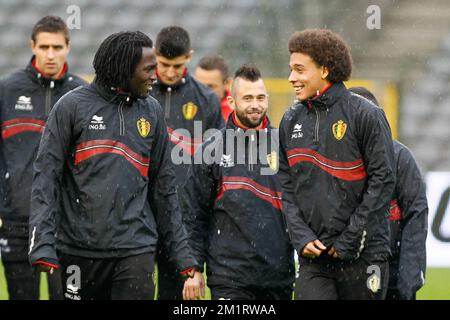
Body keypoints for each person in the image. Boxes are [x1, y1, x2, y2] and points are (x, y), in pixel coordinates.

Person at [27, 31, 203, 300]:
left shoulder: (152, 110)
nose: (154, 75)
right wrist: (41, 243)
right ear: (124, 69)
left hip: (136, 249)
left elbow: (164, 188)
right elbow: (46, 179)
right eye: (148, 69)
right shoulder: (71, 107)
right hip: (78, 250)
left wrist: (182, 253)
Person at [278, 29, 396, 300]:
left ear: (325, 69)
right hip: (314, 258)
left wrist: (350, 238)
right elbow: (285, 185)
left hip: (364, 255)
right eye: (290, 70)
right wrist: (301, 237)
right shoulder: (290, 119)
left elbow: (383, 180)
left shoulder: (366, 115)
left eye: (299, 69)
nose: (291, 78)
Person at [182, 64, 295, 300]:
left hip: (278, 276)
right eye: (248, 98)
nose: (255, 104)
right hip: (229, 278)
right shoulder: (210, 149)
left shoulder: (285, 147)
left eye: (261, 97)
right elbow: (194, 214)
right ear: (232, 102)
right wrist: (193, 269)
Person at [0, 16, 86, 300]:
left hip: (67, 223)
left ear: (68, 47)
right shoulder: (7, 90)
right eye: (45, 46)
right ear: (32, 46)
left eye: (57, 47)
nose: (51, 54)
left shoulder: (82, 94)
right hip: (16, 221)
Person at [150, 26, 224, 300]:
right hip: (140, 216)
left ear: (189, 57)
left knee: (174, 296)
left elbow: (215, 166)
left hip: (182, 220)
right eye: (164, 64)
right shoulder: (138, 91)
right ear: (155, 55)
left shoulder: (206, 100)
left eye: (177, 65)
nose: (170, 72)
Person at [348, 87, 428, 300]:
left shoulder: (400, 157)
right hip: (347, 270)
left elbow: (416, 214)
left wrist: (409, 277)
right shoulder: (338, 159)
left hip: (390, 271)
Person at [195, 54, 233, 122]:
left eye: (210, 86)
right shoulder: (183, 106)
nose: (203, 92)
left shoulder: (239, 114)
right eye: (199, 85)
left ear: (227, 84)